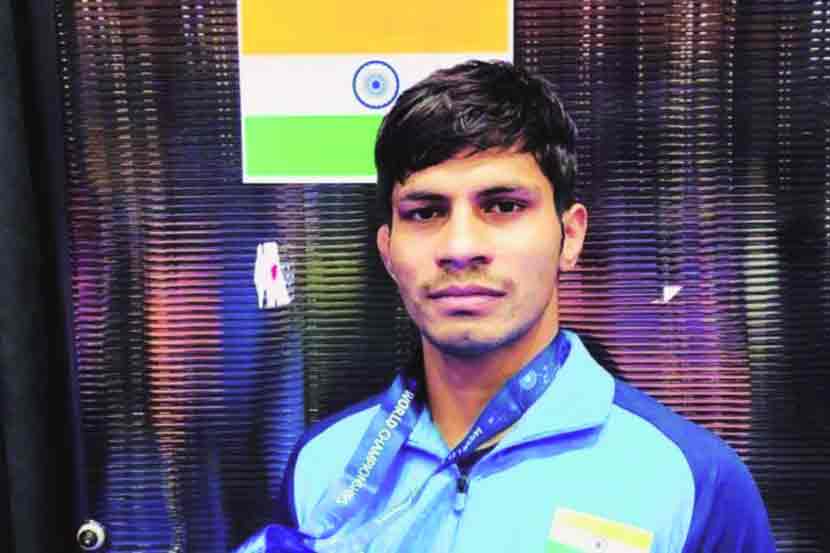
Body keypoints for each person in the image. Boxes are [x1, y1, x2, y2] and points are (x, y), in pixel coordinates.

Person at [271, 61, 776, 553]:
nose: (460, 247)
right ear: (387, 252)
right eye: (425, 213)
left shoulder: (692, 480)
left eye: (503, 206)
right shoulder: (321, 468)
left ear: (570, 236)